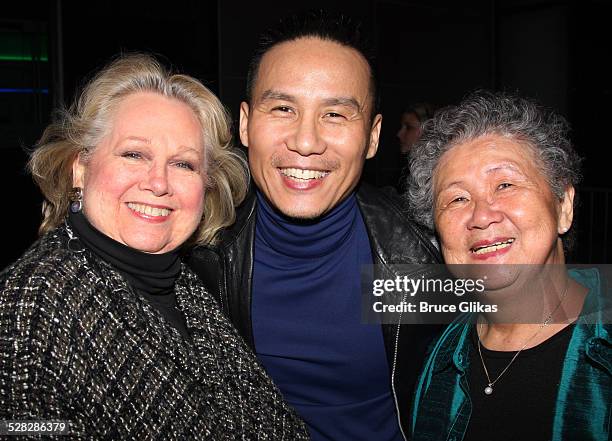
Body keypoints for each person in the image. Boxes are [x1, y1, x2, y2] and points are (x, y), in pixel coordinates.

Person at [0, 53, 308, 440]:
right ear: (81, 168)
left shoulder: (185, 285)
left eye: (183, 164)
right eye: (134, 154)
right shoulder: (35, 302)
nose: (159, 182)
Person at [188, 11, 441, 441]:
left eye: (336, 116)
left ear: (374, 136)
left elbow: (558, 309)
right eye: (284, 108)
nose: (306, 142)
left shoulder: (413, 256)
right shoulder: (201, 253)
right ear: (246, 123)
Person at [407, 91, 611, 440]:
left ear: (563, 206)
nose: (481, 216)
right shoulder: (438, 360)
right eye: (457, 198)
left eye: (505, 184)